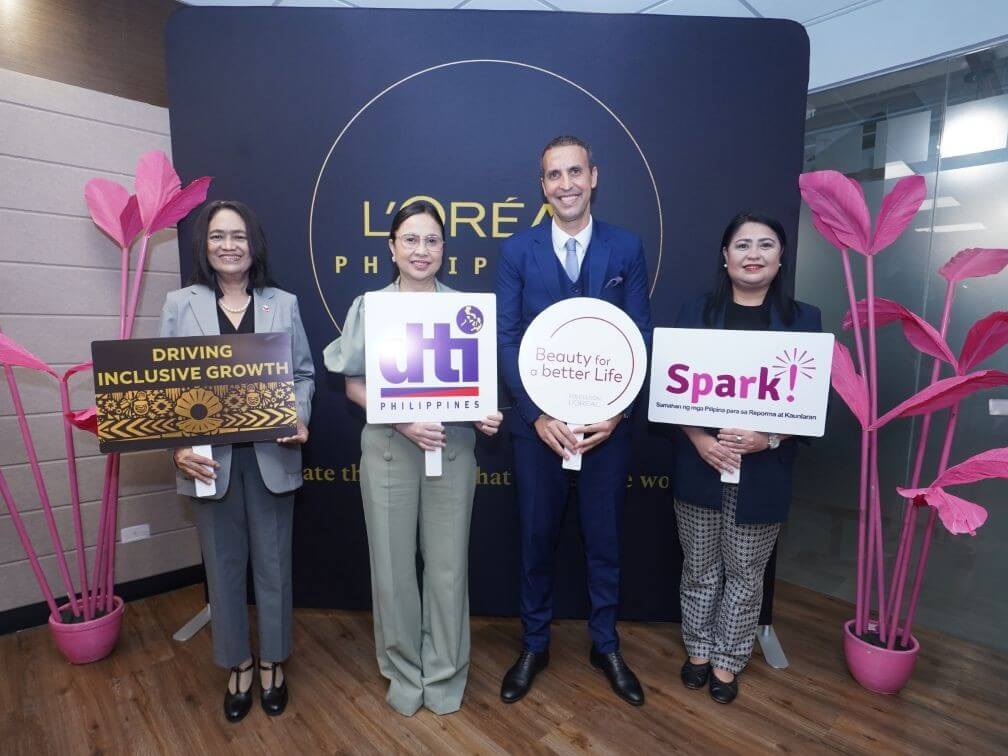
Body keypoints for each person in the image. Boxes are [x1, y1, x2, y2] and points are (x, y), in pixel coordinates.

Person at [324, 200, 503, 717]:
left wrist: (483, 416)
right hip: (387, 450)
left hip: (452, 449)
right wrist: (401, 420)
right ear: (392, 247)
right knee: (393, 570)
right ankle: (402, 670)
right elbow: (352, 384)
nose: (421, 250)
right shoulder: (370, 306)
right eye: (411, 239)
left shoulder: (466, 312)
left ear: (444, 249)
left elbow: (473, 392)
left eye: (431, 240)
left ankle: (446, 673)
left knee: (448, 569)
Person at [495, 135, 653, 706]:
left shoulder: (626, 247)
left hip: (606, 433)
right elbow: (507, 339)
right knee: (536, 540)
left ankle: (604, 643)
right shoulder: (518, 252)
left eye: (574, 172)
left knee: (605, 541)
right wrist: (535, 416)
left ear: (594, 176)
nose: (565, 184)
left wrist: (618, 412)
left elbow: (640, 335)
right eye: (553, 175)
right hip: (538, 433)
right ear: (542, 185)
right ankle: (534, 643)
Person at [160, 200, 315, 722]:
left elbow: (303, 375)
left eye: (239, 236)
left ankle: (273, 662)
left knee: (274, 569)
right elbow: (165, 386)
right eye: (218, 237)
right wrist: (178, 447)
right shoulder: (181, 304)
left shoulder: (283, 303)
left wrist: (298, 416)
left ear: (254, 246)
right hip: (209, 463)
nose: (229, 245)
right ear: (205, 247)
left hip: (272, 456)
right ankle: (238, 665)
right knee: (223, 571)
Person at [671, 212, 822, 704]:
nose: (752, 255)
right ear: (725, 255)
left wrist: (770, 439)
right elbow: (671, 394)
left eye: (765, 245)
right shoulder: (695, 314)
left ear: (780, 259)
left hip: (764, 473)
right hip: (702, 464)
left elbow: (809, 408)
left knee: (745, 572)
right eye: (742, 245)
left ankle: (727, 661)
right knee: (699, 567)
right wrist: (699, 440)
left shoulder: (805, 321)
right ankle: (697, 650)